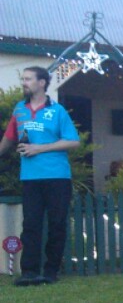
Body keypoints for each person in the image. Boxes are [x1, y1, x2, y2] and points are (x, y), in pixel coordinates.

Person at [0, 67, 81, 286]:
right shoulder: (20, 109)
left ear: (42, 83)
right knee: (31, 224)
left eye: (28, 79)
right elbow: (9, 138)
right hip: (30, 177)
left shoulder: (57, 111)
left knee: (56, 224)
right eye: (23, 79)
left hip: (57, 177)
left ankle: (51, 271)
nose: (24, 83)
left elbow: (73, 141)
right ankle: (29, 272)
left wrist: (39, 149)